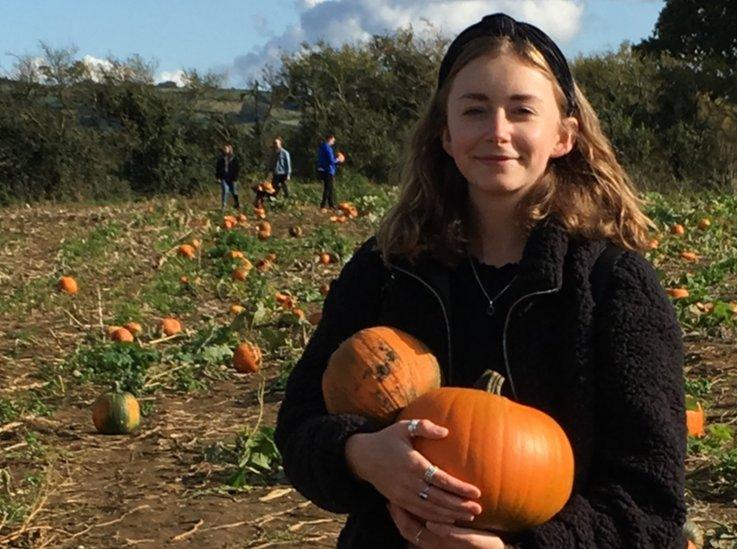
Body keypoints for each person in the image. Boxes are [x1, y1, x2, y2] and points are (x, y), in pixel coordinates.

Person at [275, 12, 687, 549]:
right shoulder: (386, 270)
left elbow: (650, 503)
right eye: (474, 110)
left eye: (521, 111)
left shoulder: (614, 285)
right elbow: (300, 426)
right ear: (445, 134)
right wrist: (360, 454)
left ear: (564, 135)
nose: (497, 132)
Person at [317, 134, 345, 210]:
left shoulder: (322, 147)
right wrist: (338, 159)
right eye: (333, 140)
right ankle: (323, 205)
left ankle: (331, 204)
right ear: (329, 139)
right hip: (328, 170)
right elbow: (331, 160)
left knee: (330, 187)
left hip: (322, 169)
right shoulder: (328, 148)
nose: (333, 142)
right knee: (328, 188)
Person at [214, 143, 241, 210]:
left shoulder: (234, 159)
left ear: (229, 149)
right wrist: (217, 177)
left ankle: (236, 205)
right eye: (224, 148)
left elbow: (237, 168)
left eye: (226, 148)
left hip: (232, 178)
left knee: (234, 191)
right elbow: (218, 168)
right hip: (223, 177)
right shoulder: (221, 159)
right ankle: (224, 206)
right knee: (225, 191)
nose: (225, 150)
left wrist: (236, 177)